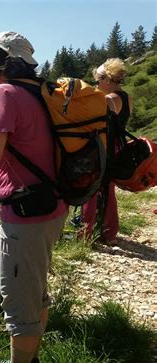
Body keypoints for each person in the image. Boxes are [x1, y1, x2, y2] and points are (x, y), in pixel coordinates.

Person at [0, 32, 68, 363]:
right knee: (35, 290)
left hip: (27, 215)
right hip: (51, 206)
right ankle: (29, 360)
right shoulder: (39, 92)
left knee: (19, 302)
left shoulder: (2, 93)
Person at [81, 58, 132, 246]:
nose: (97, 83)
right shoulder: (126, 97)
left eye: (99, 79)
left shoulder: (109, 99)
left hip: (105, 149)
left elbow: (96, 123)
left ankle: (86, 231)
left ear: (108, 79)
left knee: (91, 188)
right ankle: (109, 231)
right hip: (117, 147)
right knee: (107, 190)